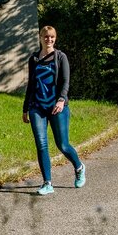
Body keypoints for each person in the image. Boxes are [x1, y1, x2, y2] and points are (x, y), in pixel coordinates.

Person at [22, 25, 86, 195]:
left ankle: (79, 167)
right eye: (46, 37)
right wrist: (25, 108)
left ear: (55, 39)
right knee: (41, 144)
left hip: (57, 107)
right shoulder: (34, 58)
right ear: (40, 37)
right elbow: (31, 85)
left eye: (52, 37)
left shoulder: (60, 57)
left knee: (63, 145)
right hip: (37, 107)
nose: (49, 40)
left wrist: (61, 100)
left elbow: (65, 81)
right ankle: (47, 183)